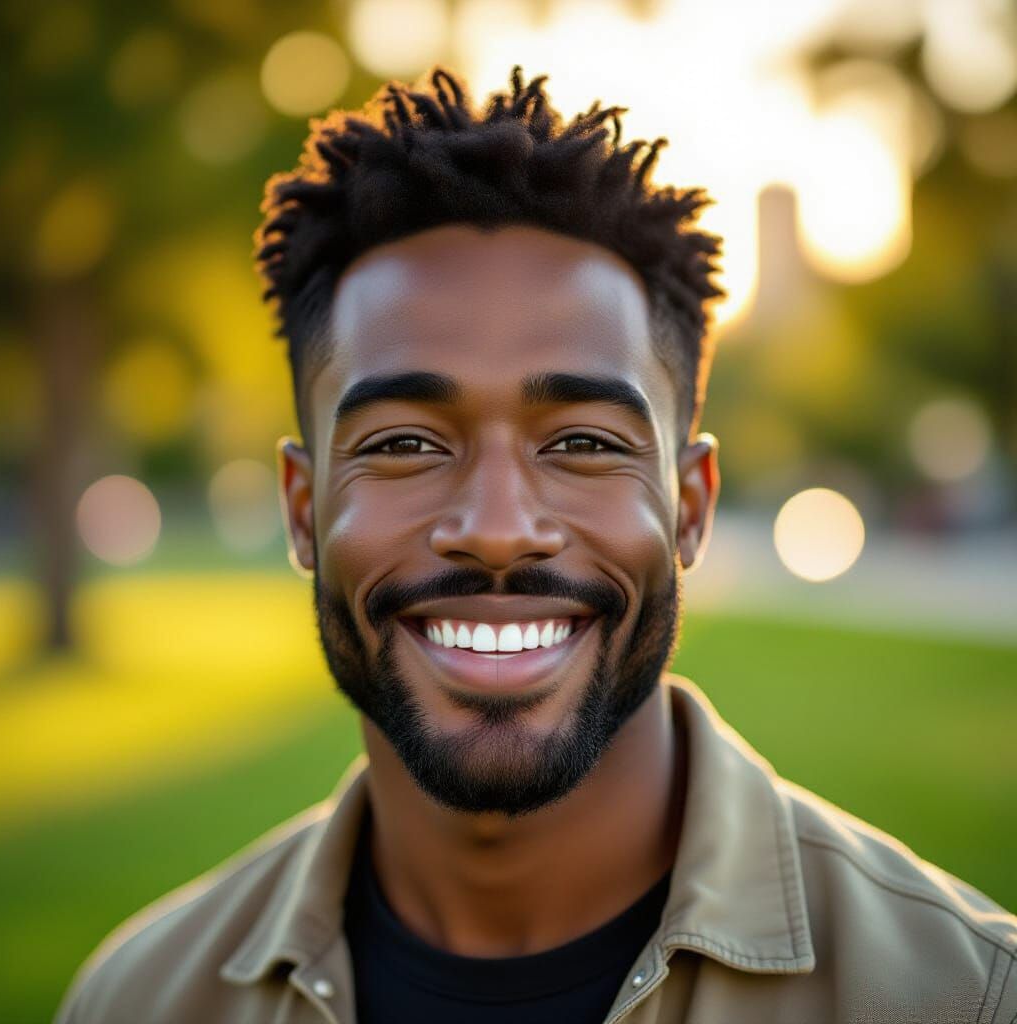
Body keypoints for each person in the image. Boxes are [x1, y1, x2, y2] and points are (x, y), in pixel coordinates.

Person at [55, 65, 1016, 1024]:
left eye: (585, 443)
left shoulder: (968, 995)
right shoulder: (136, 999)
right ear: (304, 509)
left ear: (689, 505)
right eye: (403, 444)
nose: (500, 527)